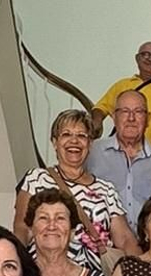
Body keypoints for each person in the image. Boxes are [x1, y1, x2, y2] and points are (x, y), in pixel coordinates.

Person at [15, 108, 140, 258]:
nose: (74, 141)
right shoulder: (37, 178)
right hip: (45, 272)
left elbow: (125, 238)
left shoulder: (106, 189)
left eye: (81, 135)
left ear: (90, 144)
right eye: (66, 134)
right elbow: (22, 228)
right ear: (55, 142)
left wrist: (142, 270)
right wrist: (16, 263)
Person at [90, 89, 151, 235]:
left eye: (138, 111)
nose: (131, 118)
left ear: (148, 119)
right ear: (113, 117)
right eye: (125, 111)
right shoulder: (92, 153)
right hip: (102, 249)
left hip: (147, 249)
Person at [96, 40, 151, 156]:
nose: (150, 59)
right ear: (137, 58)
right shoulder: (121, 85)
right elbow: (100, 109)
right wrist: (95, 122)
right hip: (120, 154)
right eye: (145, 54)